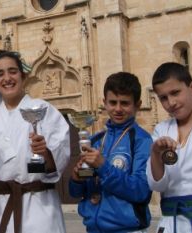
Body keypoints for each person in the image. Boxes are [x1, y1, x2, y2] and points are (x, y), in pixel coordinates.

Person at [0, 50, 69, 233]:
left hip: (38, 206)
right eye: (0, 74)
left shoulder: (44, 110)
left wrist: (45, 153)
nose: (7, 78)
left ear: (23, 75)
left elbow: (59, 156)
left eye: (12, 71)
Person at [69, 72, 152, 233]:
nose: (118, 109)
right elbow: (76, 193)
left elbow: (141, 191)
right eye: (113, 102)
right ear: (104, 103)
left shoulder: (142, 141)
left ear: (138, 104)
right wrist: (77, 179)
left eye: (125, 103)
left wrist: (103, 166)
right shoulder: (96, 140)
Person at [147, 62, 192, 233]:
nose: (171, 102)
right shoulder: (161, 130)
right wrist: (156, 154)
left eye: (175, 93)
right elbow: (157, 186)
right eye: (163, 97)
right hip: (171, 222)